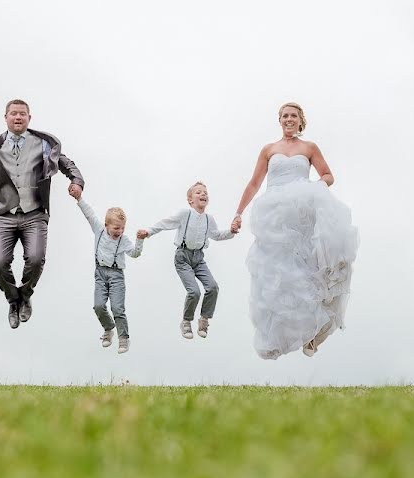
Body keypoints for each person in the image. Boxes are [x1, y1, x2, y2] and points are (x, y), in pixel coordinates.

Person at [232, 103, 359, 359]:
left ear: (301, 121)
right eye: (285, 116)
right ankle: (280, 334)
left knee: (308, 271)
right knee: (277, 277)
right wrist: (238, 213)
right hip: (275, 217)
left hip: (301, 214)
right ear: (279, 120)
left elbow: (328, 175)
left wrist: (309, 189)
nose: (289, 119)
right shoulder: (269, 150)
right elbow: (255, 183)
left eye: (293, 116)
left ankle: (314, 330)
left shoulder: (309, 148)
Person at [0, 99, 84, 329]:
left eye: (23, 114)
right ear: (5, 117)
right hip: (3, 214)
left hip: (34, 213)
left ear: (29, 118)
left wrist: (76, 181)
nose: (18, 117)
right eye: (14, 114)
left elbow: (66, 163)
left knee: (36, 260)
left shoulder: (42, 143)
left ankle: (25, 295)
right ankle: (13, 299)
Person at [138, 182, 238, 340]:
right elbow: (165, 223)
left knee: (213, 287)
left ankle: (204, 319)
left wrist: (231, 232)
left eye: (205, 192)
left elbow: (217, 235)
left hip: (199, 259)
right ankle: (186, 321)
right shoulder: (185, 214)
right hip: (183, 257)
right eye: (198, 192)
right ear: (190, 200)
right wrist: (148, 232)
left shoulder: (208, 219)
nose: (203, 194)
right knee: (194, 292)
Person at [72, 194, 144, 354]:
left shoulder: (123, 240)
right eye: (116, 228)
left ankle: (123, 338)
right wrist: (79, 199)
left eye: (122, 228)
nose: (120, 231)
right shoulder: (99, 230)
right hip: (100, 274)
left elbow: (135, 253)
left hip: (117, 275)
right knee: (98, 306)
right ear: (106, 225)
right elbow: (89, 214)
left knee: (117, 308)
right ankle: (108, 328)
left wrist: (139, 240)